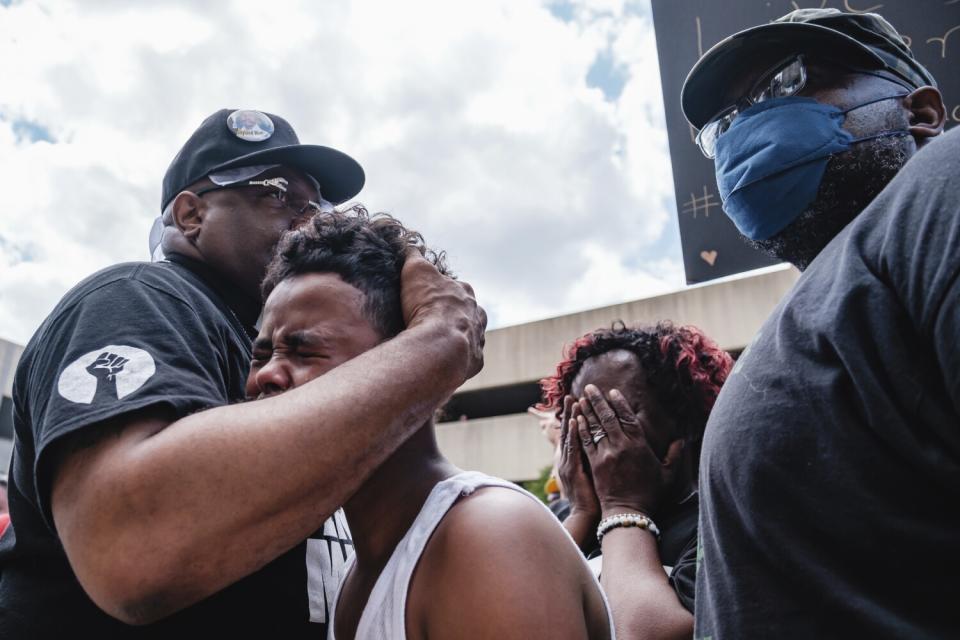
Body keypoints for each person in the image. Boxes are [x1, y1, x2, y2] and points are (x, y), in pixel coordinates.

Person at [0, 109, 486, 638]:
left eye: (317, 205)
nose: (308, 219)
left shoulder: (279, 352)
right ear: (190, 215)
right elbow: (133, 547)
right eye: (276, 193)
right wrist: (440, 340)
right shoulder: (140, 299)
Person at [681, 9, 957, 638]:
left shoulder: (941, 185)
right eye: (726, 122)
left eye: (786, 82)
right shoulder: (806, 316)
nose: (744, 127)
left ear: (922, 114)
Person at [246, 207, 613, 639]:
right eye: (261, 354)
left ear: (414, 366)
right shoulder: (357, 566)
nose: (264, 376)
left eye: (304, 351)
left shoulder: (486, 536)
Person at [540, 322, 731, 640]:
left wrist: (622, 506)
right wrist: (581, 516)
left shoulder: (717, 526)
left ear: (684, 423)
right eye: (578, 419)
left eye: (612, 413)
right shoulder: (568, 520)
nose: (594, 433)